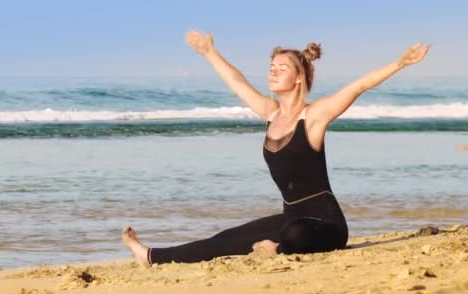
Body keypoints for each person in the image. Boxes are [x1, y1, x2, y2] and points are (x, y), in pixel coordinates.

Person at [123, 30, 431, 266]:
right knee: (229, 238)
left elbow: (358, 86)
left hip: (325, 225)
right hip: (290, 217)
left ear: (299, 78)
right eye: (271, 66)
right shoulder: (271, 113)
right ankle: (150, 256)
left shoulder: (313, 117)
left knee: (294, 234)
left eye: (281, 67)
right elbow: (237, 82)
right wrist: (210, 52)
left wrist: (400, 63)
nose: (273, 71)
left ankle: (279, 250)